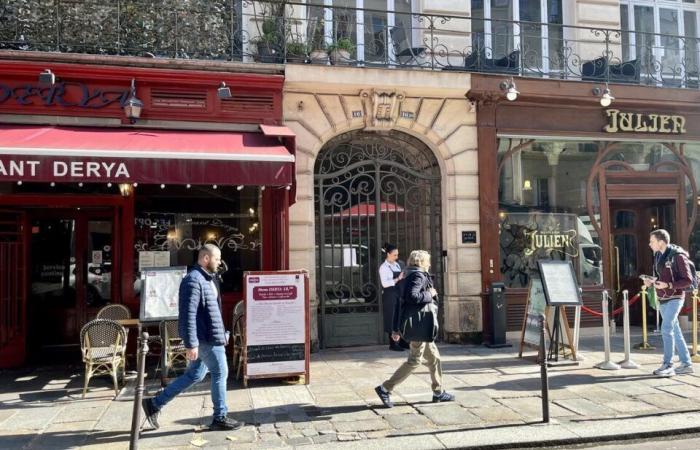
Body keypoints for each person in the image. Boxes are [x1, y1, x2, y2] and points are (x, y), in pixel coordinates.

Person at [142, 244, 242, 430]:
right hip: (205, 339)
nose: (220, 262)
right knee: (221, 373)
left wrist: (222, 333)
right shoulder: (192, 281)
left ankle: (155, 403)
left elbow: (212, 312)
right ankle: (220, 417)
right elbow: (188, 315)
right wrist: (191, 344)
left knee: (195, 374)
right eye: (217, 258)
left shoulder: (207, 279)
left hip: (210, 336)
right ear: (205, 258)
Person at [375, 250, 454, 407]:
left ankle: (438, 392)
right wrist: (430, 294)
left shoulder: (405, 275)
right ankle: (385, 388)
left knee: (434, 358)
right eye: (428, 261)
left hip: (418, 324)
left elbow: (399, 304)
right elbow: (413, 297)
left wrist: (396, 329)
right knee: (414, 360)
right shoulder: (417, 275)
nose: (430, 264)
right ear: (422, 262)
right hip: (419, 324)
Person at [643, 229, 695, 377]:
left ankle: (668, 365)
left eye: (652, 241)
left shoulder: (678, 256)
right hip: (663, 298)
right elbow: (663, 278)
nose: (649, 244)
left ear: (661, 242)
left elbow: (688, 280)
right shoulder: (658, 256)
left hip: (675, 298)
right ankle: (686, 364)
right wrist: (651, 282)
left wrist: (669, 286)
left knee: (666, 329)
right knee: (675, 330)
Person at [379, 243, 406, 351]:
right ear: (388, 254)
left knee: (400, 317)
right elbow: (385, 284)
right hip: (389, 295)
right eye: (394, 255)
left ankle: (402, 341)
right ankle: (393, 344)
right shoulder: (383, 268)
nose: (396, 257)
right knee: (391, 318)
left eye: (397, 255)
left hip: (399, 294)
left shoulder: (398, 265)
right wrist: (398, 279)